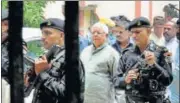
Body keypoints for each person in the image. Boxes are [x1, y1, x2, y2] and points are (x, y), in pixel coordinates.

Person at [113, 17, 173, 103]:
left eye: (138, 32)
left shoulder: (162, 52)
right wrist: (125, 80)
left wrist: (154, 65)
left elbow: (168, 80)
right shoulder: (126, 54)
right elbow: (115, 81)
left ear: (148, 32)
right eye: (132, 32)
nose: (134, 36)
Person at [24, 18, 85, 103]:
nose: (43, 37)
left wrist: (42, 73)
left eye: (48, 33)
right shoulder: (52, 56)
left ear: (62, 35)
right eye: (42, 33)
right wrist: (31, 80)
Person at [80, 22, 119, 103]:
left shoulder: (112, 54)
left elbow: (117, 79)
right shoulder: (85, 51)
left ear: (106, 35)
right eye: (93, 32)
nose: (95, 35)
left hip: (104, 100)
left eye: (98, 32)